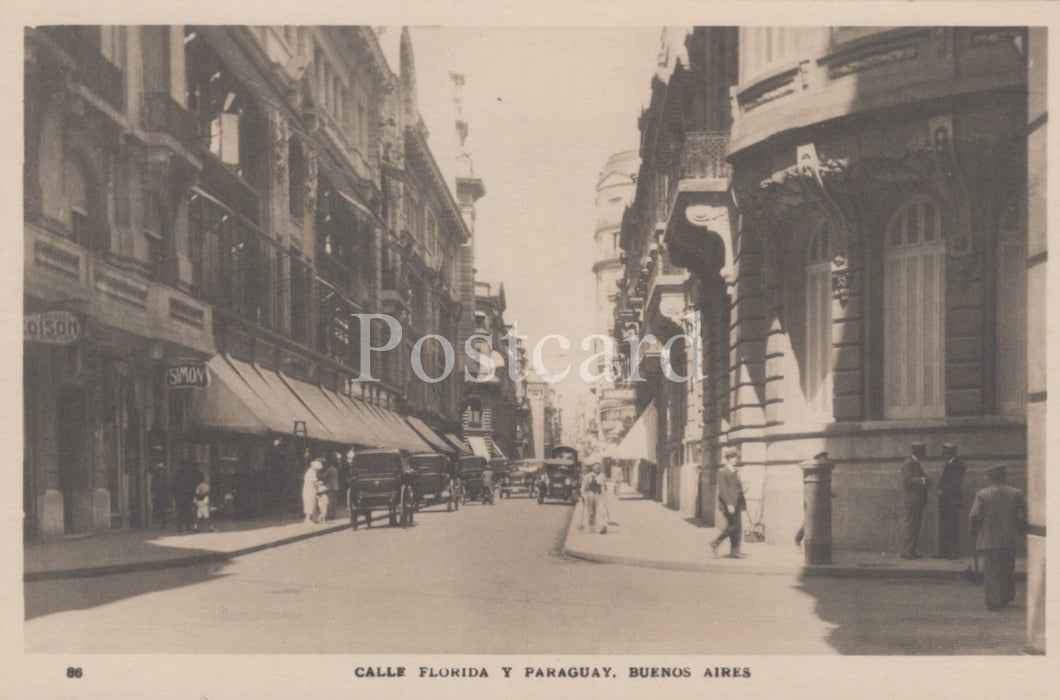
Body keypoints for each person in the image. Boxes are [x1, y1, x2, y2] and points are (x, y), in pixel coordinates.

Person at [969, 466, 1027, 611]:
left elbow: (974, 515)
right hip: (1009, 537)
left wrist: (973, 531)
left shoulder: (982, 494)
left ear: (990, 478)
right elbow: (1023, 513)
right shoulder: (1015, 493)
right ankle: (1006, 596)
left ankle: (993, 601)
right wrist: (1021, 529)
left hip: (989, 538)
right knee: (1007, 569)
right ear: (1004, 477)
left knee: (991, 571)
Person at [711, 446, 746, 559]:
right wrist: (728, 504)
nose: (736, 459)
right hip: (730, 503)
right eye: (733, 457)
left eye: (736, 457)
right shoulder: (723, 472)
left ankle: (735, 552)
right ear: (728, 458)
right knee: (733, 526)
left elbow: (736, 487)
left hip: (737, 502)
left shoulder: (734, 471)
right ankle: (716, 542)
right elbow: (723, 490)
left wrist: (743, 489)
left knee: (737, 527)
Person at [934, 442, 966, 559]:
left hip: (952, 501)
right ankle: (943, 551)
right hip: (945, 501)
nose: (943, 454)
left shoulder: (958, 464)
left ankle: (953, 552)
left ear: (951, 452)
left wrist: (943, 491)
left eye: (945, 452)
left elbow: (955, 483)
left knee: (952, 526)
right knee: (944, 526)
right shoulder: (949, 464)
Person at [900, 442, 931, 559]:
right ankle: (907, 552)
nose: (924, 453)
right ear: (915, 450)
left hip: (916, 500)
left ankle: (910, 551)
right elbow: (907, 480)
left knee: (914, 526)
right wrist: (923, 481)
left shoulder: (915, 463)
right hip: (913, 500)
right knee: (912, 526)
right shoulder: (909, 463)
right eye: (922, 450)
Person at [580, 463, 607, 534]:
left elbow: (603, 486)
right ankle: (591, 527)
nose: (597, 468)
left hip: (599, 494)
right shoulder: (588, 476)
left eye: (598, 467)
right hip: (591, 494)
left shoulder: (602, 475)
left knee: (601, 510)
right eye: (595, 467)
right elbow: (583, 486)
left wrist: (604, 496)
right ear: (592, 468)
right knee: (592, 512)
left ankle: (602, 527)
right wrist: (583, 495)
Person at [172, 460, 199, 532]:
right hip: (184, 495)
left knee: (184, 511)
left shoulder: (181, 475)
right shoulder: (186, 475)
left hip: (184, 495)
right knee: (184, 511)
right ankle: (183, 525)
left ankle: (184, 525)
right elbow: (175, 486)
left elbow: (193, 485)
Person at [149, 453, 170, 529]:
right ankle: (161, 522)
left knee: (162, 509)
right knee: (159, 509)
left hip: (162, 495)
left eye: (161, 470)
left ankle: (163, 522)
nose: (160, 472)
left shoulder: (163, 478)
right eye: (159, 470)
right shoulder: (157, 478)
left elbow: (167, 486)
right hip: (159, 495)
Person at [303, 460, 324, 524]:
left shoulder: (312, 471)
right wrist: (319, 483)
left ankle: (313, 519)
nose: (318, 470)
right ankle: (307, 519)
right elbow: (314, 482)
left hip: (311, 489)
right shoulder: (311, 472)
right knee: (310, 503)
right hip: (309, 489)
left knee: (313, 504)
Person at [321, 456, 340, 521]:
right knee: (334, 501)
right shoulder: (336, 469)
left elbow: (324, 476)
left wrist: (317, 474)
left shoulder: (329, 469)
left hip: (330, 486)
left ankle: (330, 515)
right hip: (336, 486)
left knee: (329, 501)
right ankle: (334, 514)